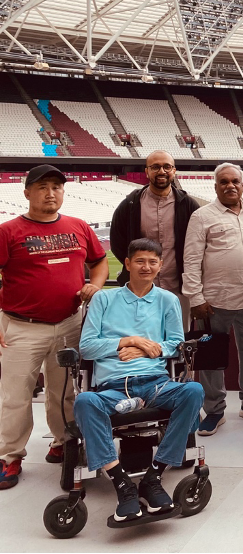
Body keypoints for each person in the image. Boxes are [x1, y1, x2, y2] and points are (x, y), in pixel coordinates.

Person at [73, 238, 204, 521]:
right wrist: (129, 341)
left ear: (161, 266)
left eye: (153, 262)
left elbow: (176, 345)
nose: (147, 267)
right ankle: (122, 484)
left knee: (193, 390)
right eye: (140, 261)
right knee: (84, 401)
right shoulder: (104, 299)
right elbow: (87, 347)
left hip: (155, 382)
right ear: (128, 264)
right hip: (113, 387)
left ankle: (153, 477)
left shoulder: (168, 300)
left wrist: (146, 346)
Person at [0, 165, 108, 490]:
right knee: (15, 395)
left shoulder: (78, 226)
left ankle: (63, 441)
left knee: (65, 391)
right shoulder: (9, 231)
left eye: (56, 187)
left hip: (70, 322)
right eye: (43, 186)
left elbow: (99, 261)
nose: (50, 193)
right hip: (22, 326)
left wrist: (97, 285)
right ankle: (9, 456)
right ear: (27, 192)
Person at [182, 163, 243, 437]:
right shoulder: (202, 217)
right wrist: (196, 297)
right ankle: (214, 410)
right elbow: (191, 259)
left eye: (235, 181)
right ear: (216, 186)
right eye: (224, 182)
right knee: (211, 356)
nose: (230, 186)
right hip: (213, 301)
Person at [110, 150, 200, 328]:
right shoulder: (130, 204)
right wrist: (139, 267)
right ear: (147, 172)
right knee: (139, 337)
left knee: (177, 340)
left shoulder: (188, 205)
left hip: (178, 289)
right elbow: (117, 242)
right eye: (155, 167)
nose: (162, 171)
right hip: (139, 291)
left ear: (174, 171)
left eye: (167, 167)